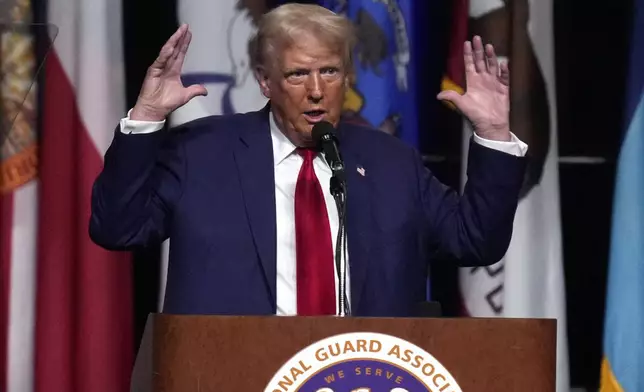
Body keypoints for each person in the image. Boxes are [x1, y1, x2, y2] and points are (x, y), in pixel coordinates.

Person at [89, 4, 528, 317]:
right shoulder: (202, 154)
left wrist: (491, 135)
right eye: (298, 74)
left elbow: (475, 241)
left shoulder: (392, 164)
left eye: (330, 71)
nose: (316, 90)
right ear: (265, 81)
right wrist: (146, 118)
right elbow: (117, 228)